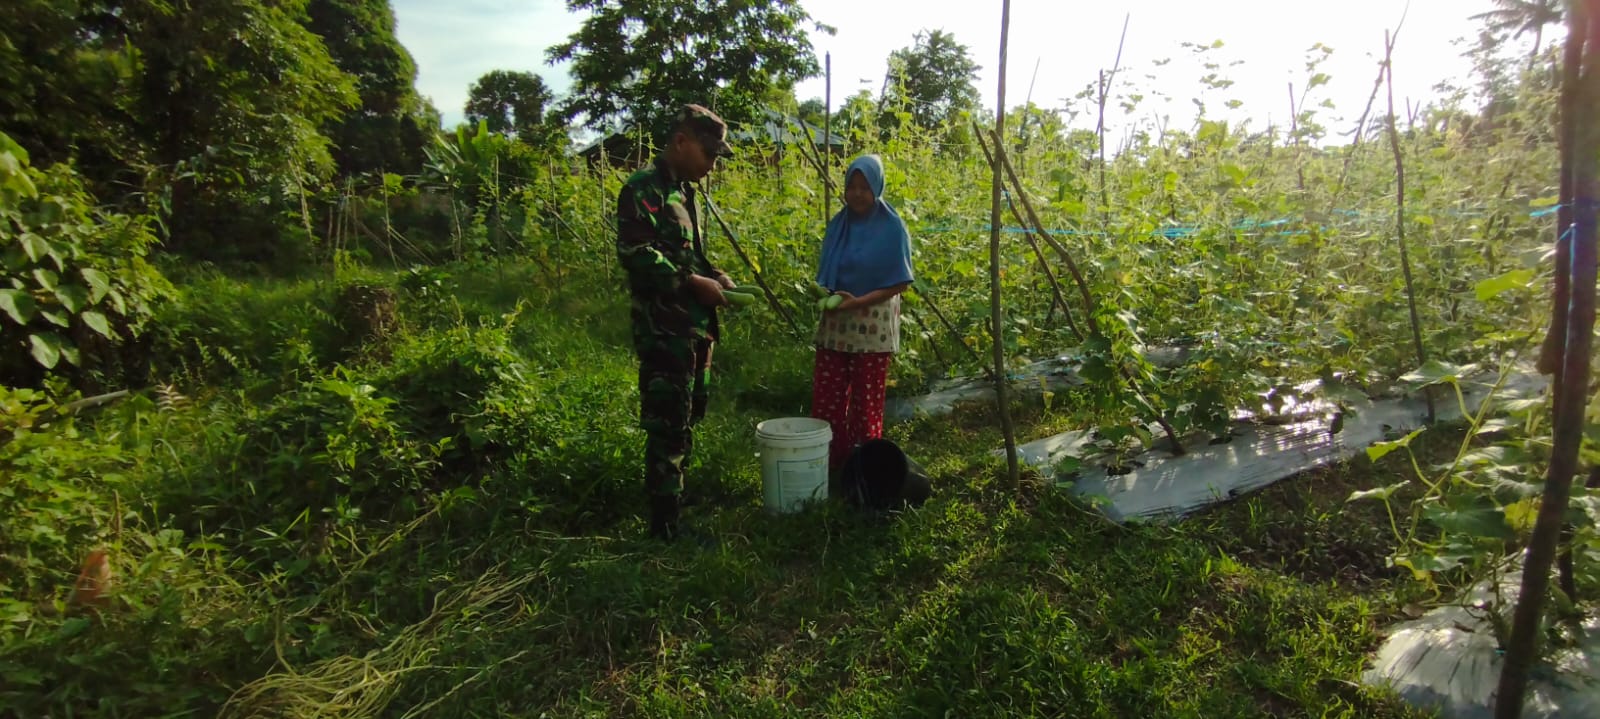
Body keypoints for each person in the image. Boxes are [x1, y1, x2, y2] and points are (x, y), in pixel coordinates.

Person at [616, 104, 736, 541]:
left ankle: (676, 496)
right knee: (668, 422)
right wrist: (692, 283)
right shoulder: (641, 189)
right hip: (664, 329)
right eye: (708, 153)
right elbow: (636, 255)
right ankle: (664, 525)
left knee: (687, 415)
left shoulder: (684, 192)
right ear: (681, 142)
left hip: (693, 328)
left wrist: (715, 274)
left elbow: (687, 253)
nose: (711, 164)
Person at [812, 155, 915, 472]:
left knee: (864, 404)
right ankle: (831, 463)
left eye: (864, 187)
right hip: (837, 323)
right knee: (827, 398)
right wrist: (829, 297)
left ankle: (866, 470)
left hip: (871, 325)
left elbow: (899, 282)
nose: (857, 193)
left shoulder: (892, 227)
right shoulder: (839, 224)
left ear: (877, 188)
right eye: (851, 186)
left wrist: (857, 302)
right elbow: (827, 272)